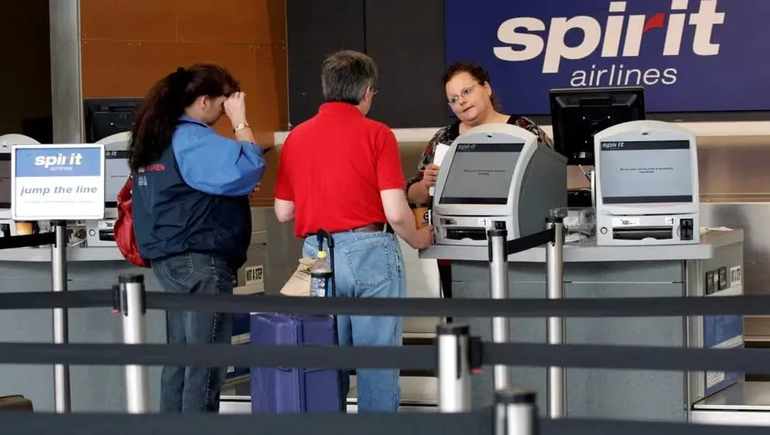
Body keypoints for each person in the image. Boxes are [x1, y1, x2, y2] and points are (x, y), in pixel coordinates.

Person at [273, 50, 434, 412]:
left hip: (316, 256)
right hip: (370, 253)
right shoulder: (376, 134)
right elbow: (395, 211)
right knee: (375, 365)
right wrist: (419, 237)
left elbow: (283, 212)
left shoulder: (297, 137)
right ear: (367, 92)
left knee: (325, 363)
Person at [128, 63, 269, 413]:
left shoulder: (156, 136)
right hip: (201, 261)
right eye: (224, 103)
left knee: (180, 360)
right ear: (204, 101)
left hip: (170, 261)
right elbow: (252, 167)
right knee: (205, 366)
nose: (225, 111)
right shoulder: (194, 139)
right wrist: (241, 121)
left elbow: (183, 192)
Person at [406, 62, 553, 302]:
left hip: (518, 245)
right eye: (453, 99)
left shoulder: (523, 129)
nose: (461, 101)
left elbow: (550, 181)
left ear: (487, 88)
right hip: (457, 247)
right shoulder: (443, 138)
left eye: (467, 91)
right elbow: (414, 196)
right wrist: (424, 184)